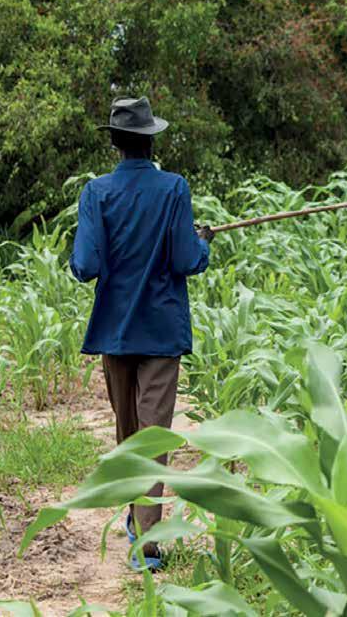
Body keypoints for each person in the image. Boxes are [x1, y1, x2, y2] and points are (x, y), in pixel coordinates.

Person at [69, 96, 214, 571]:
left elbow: (85, 266)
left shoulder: (96, 193)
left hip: (115, 331)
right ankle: (144, 531)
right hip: (160, 331)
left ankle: (144, 535)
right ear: (151, 141)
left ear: (115, 143)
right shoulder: (174, 189)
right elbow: (185, 259)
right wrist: (203, 243)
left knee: (129, 430)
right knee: (151, 435)